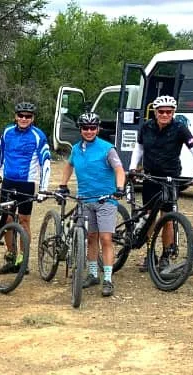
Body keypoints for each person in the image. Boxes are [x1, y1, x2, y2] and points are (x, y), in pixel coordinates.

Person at [129, 95, 193, 272]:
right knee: (149, 217)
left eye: (168, 112)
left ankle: (165, 256)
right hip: (150, 176)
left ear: (173, 113)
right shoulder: (146, 127)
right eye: (161, 111)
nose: (164, 114)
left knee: (167, 217)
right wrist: (132, 168)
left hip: (170, 178)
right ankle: (150, 255)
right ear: (155, 112)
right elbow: (139, 148)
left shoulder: (179, 128)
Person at [58, 112, 126, 297]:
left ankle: (108, 279)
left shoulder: (107, 148)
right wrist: (63, 185)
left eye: (92, 128)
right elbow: (69, 166)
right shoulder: (76, 149)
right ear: (80, 130)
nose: (89, 131)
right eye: (85, 128)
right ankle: (93, 274)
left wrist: (119, 187)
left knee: (106, 239)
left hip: (105, 200)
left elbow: (119, 169)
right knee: (91, 238)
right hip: (85, 200)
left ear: (98, 129)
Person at [0, 101, 52, 274]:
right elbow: (0, 152)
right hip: (8, 182)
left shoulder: (38, 135)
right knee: (7, 220)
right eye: (21, 116)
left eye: (28, 116)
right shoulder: (8, 132)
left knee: (24, 221)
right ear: (15, 117)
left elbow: (46, 162)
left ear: (33, 118)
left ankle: (22, 260)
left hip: (26, 183)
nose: (24, 119)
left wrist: (43, 188)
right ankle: (11, 256)